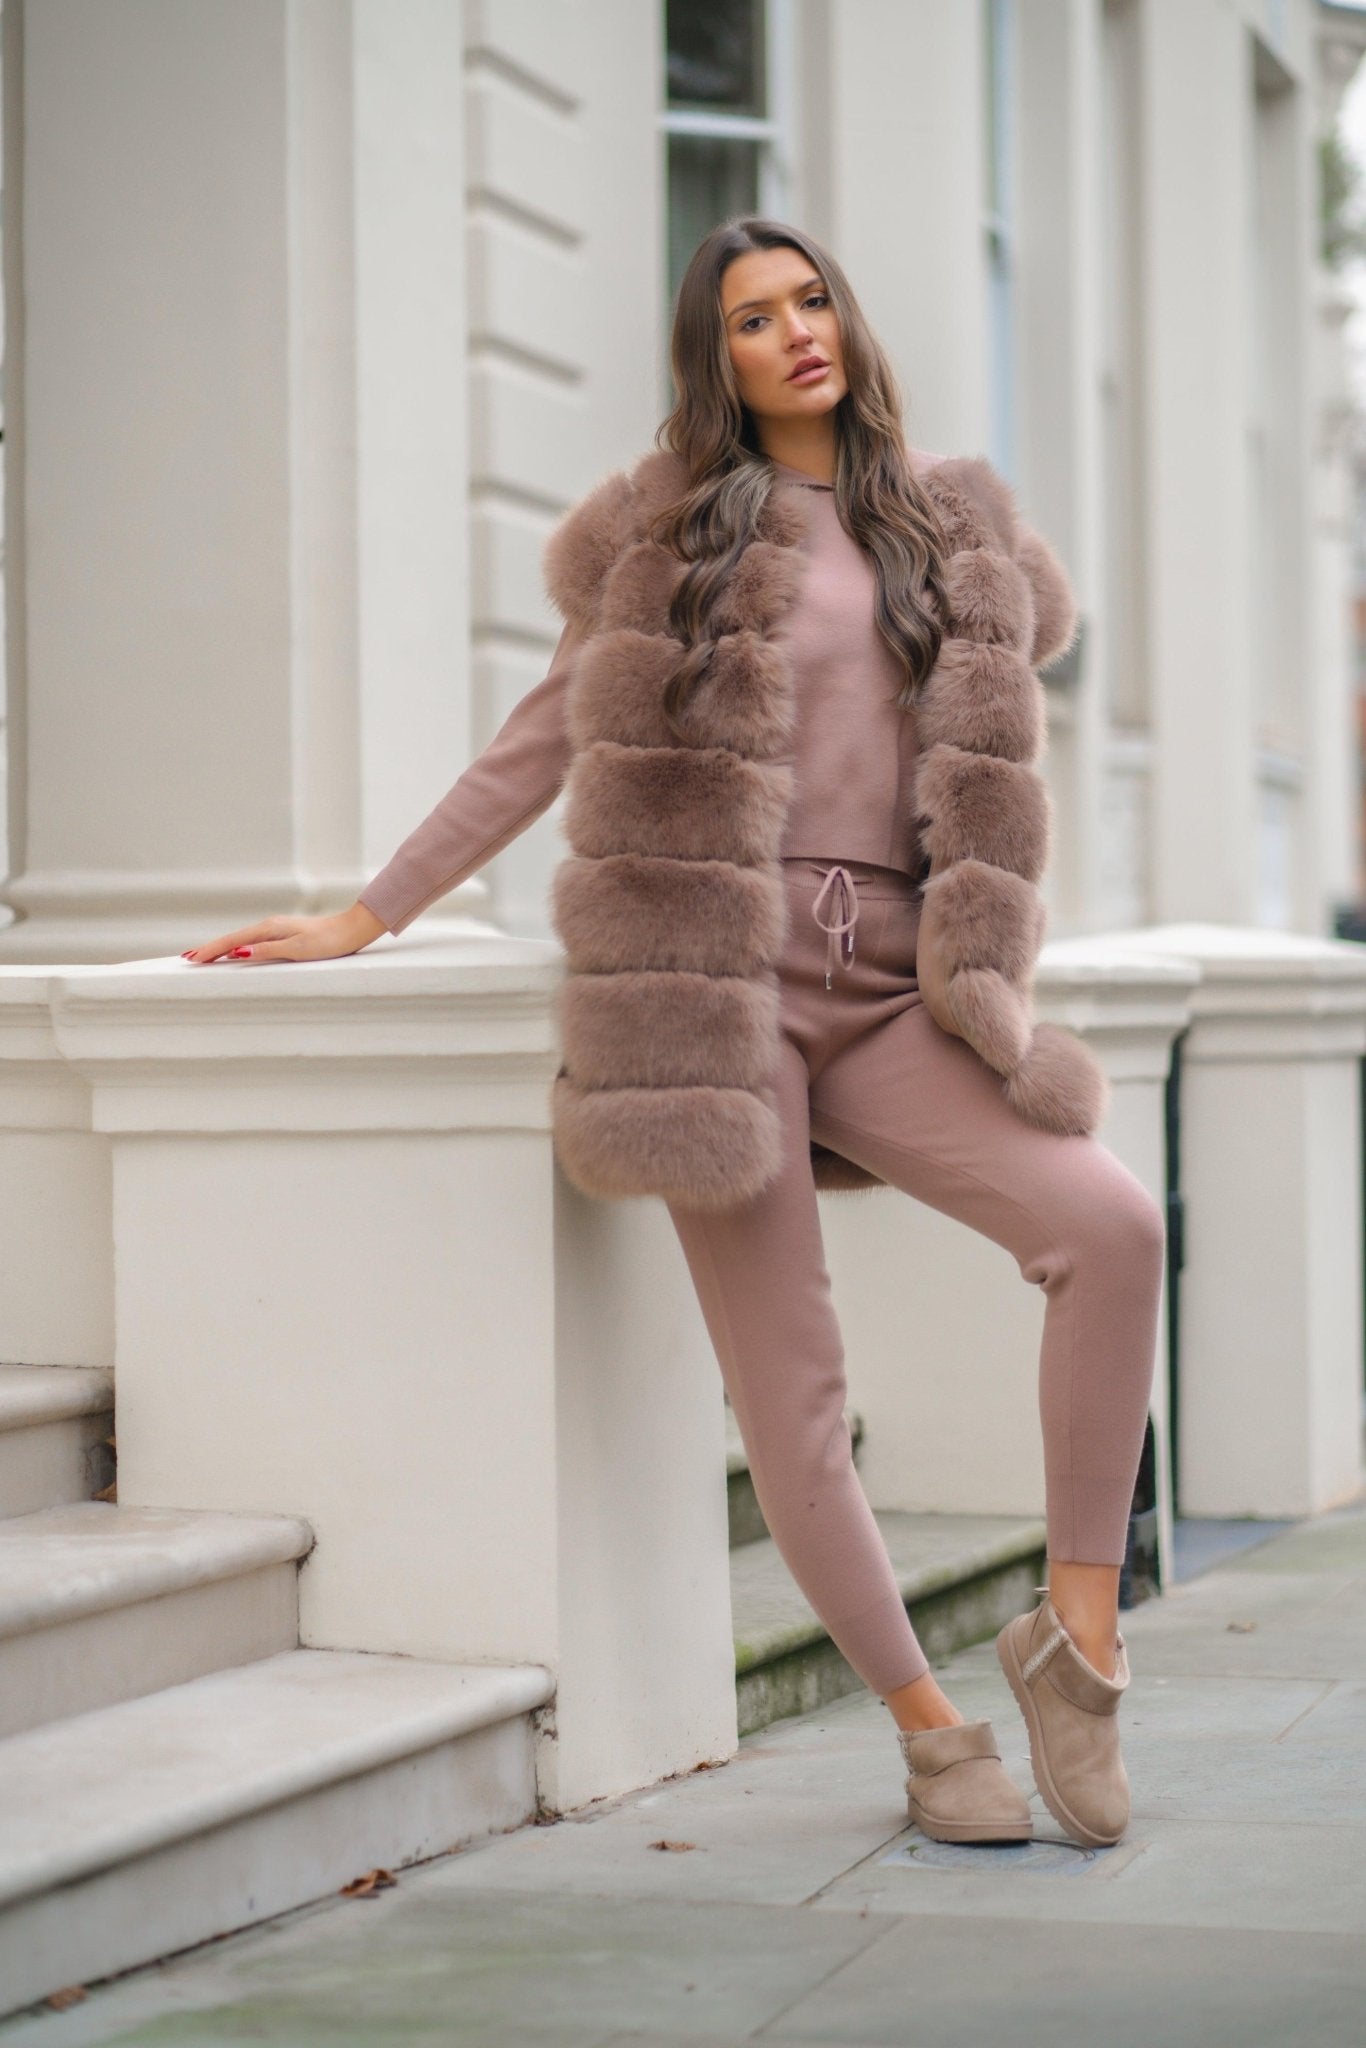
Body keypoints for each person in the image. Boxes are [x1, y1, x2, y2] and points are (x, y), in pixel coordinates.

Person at [184, 216, 1166, 1853]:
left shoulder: (950, 526)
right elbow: (538, 743)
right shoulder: (674, 529)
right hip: (717, 991)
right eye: (751, 319)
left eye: (810, 301)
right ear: (714, 360)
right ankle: (929, 1734)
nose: (794, 333)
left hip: (898, 990)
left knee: (1111, 1229)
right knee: (793, 1387)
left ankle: (1079, 1639)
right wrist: (369, 914)